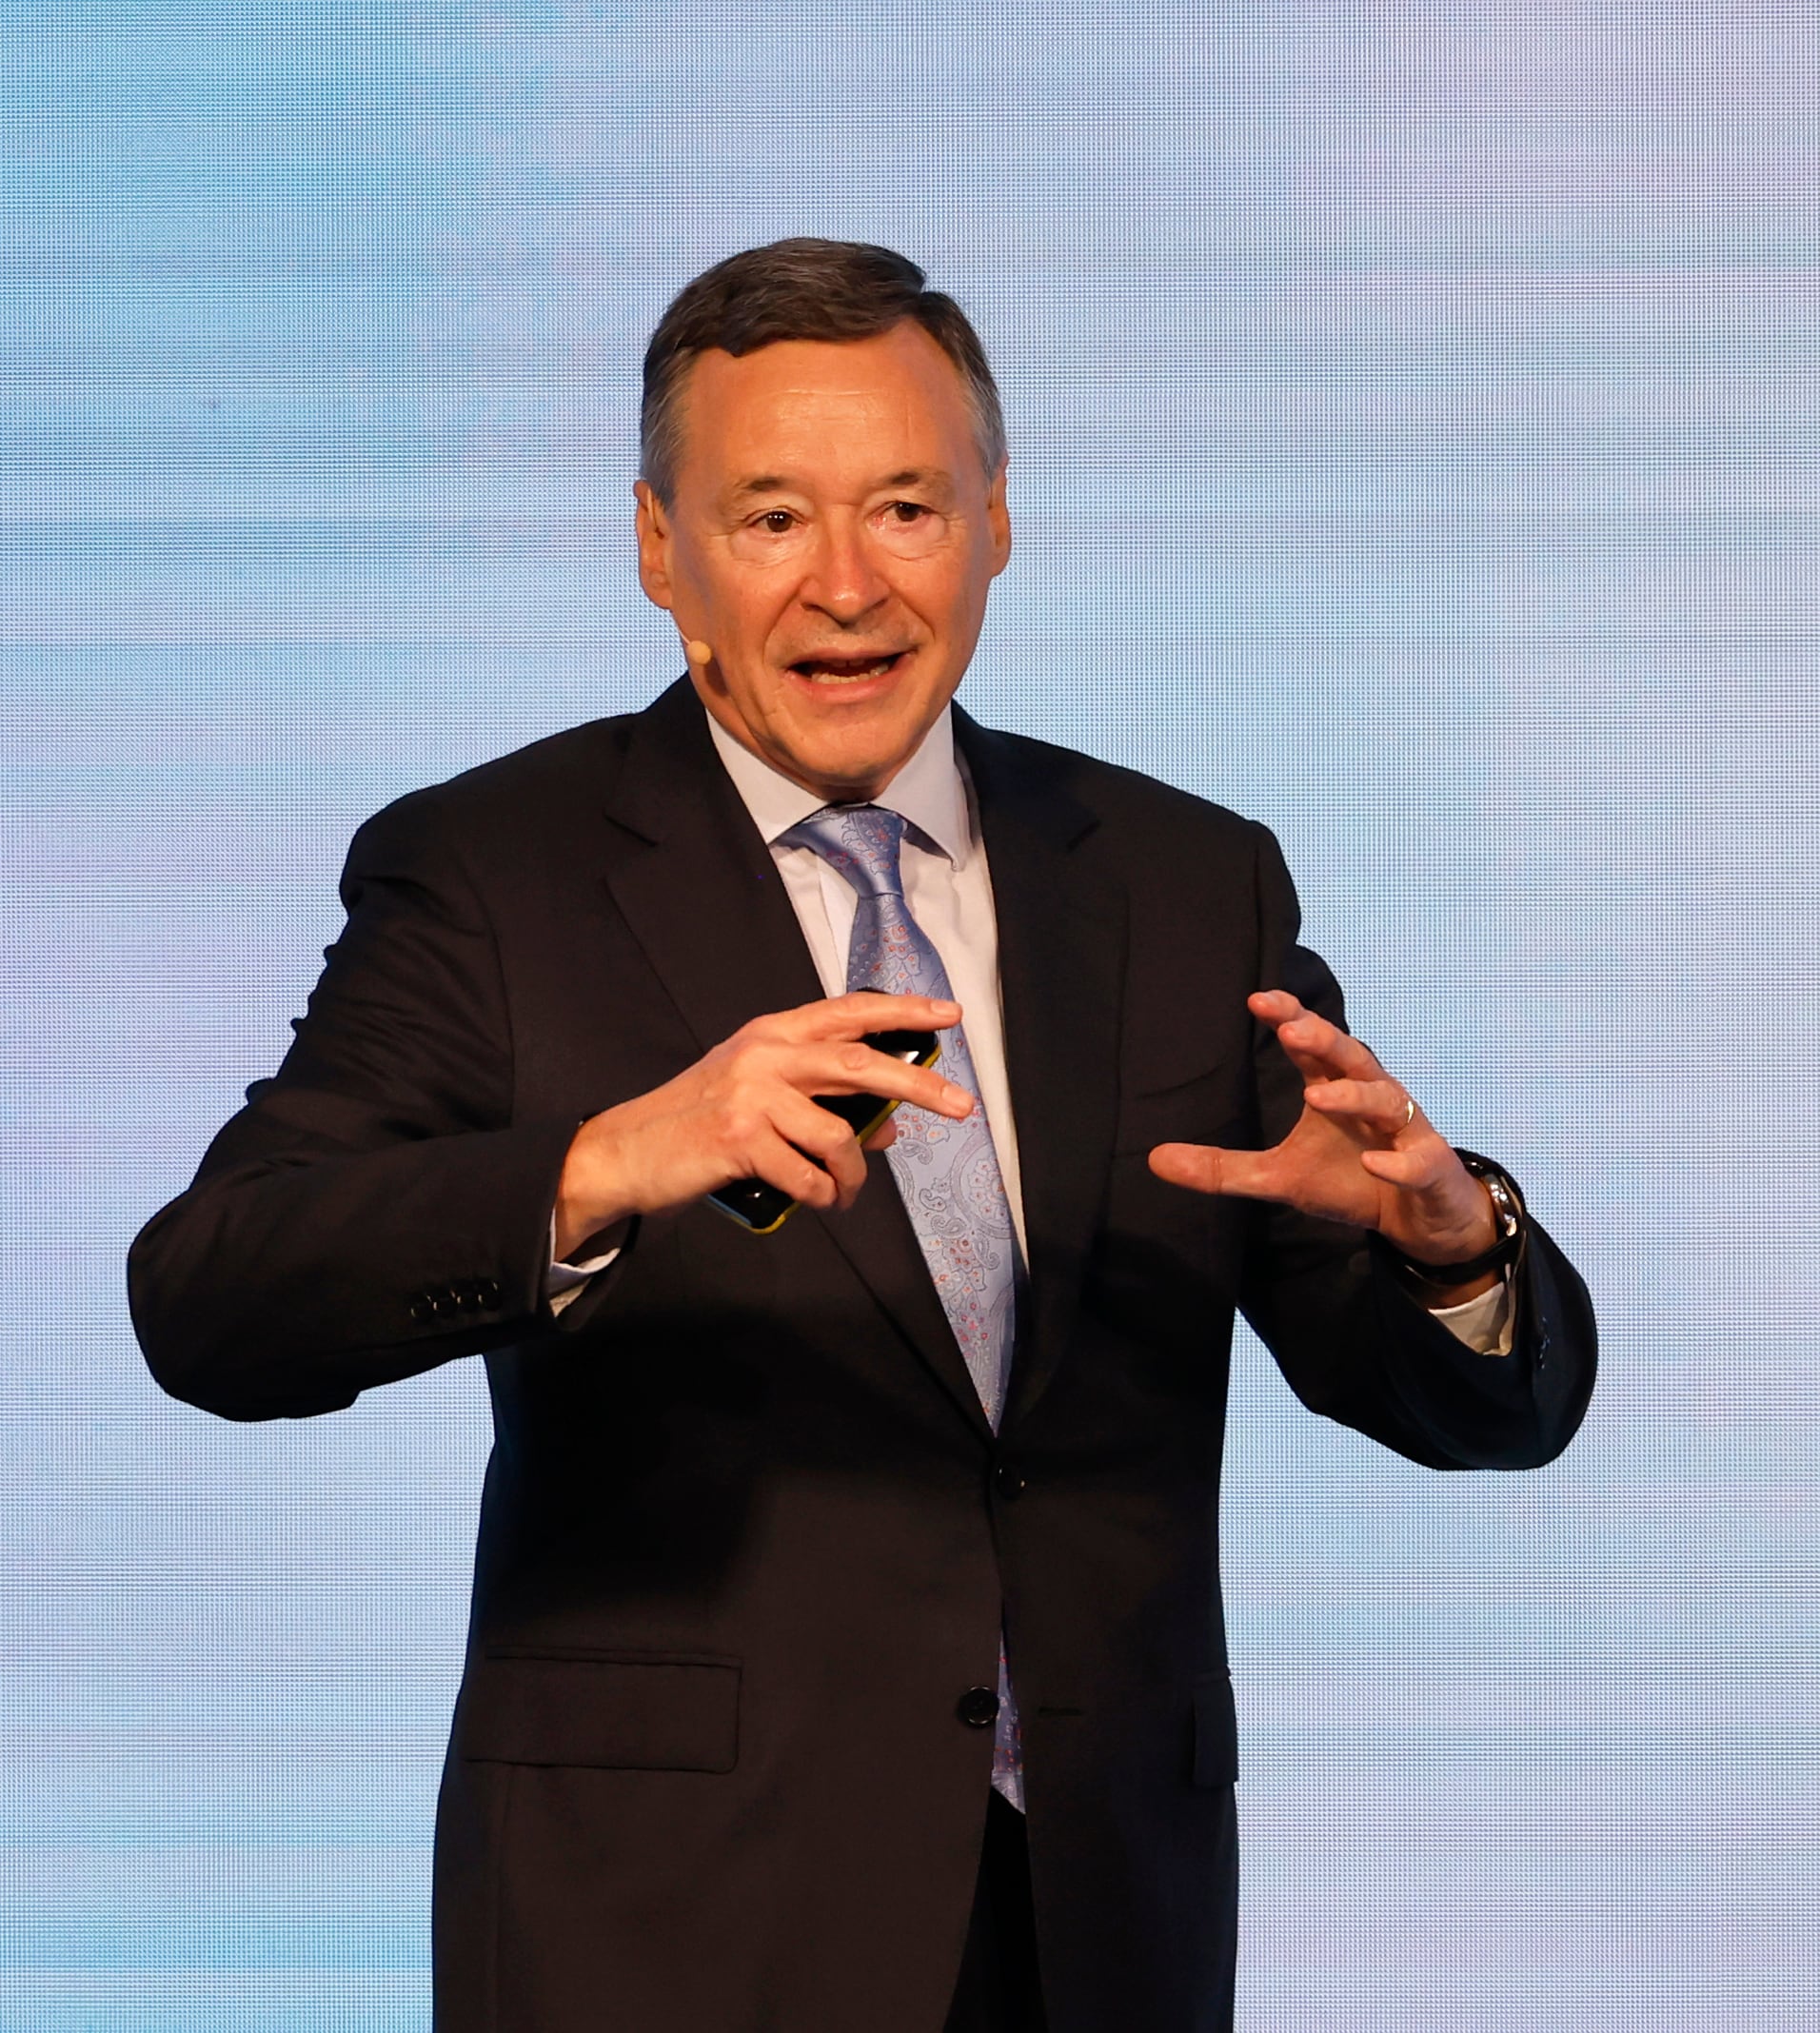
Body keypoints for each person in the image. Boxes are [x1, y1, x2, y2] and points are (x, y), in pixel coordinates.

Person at [128, 237, 1594, 2033]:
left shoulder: (1181, 880)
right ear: (658, 547)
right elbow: (212, 1300)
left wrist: (1449, 1250)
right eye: (770, 519)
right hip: (667, 1932)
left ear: (995, 523)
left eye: (906, 508)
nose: (847, 584)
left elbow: (1477, 1412)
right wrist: (605, 1166)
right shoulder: (496, 872)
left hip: (1098, 1925)